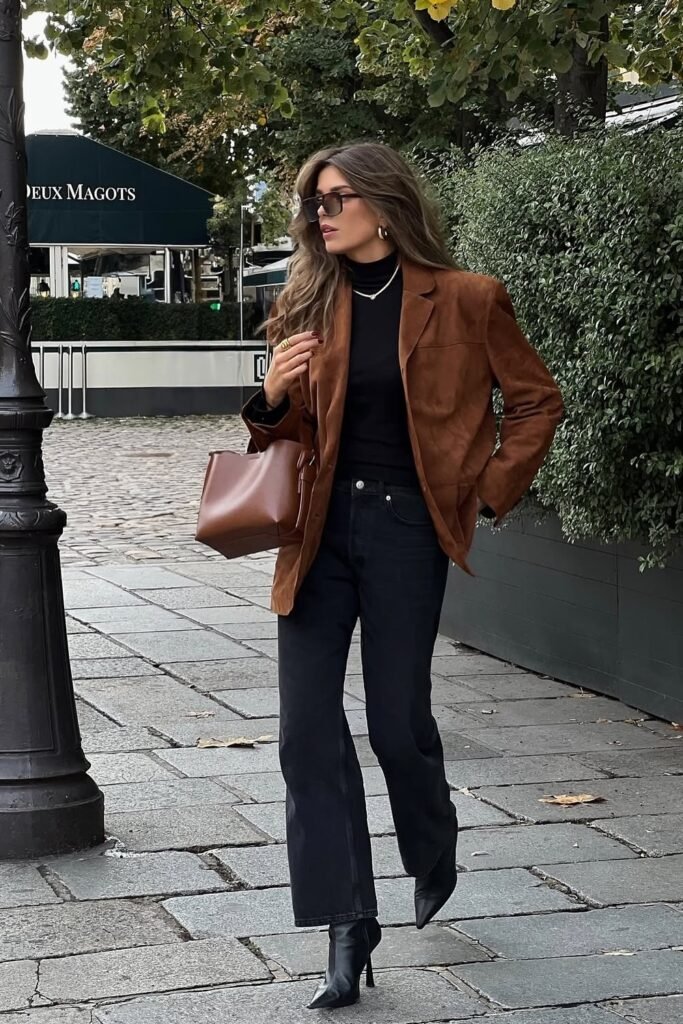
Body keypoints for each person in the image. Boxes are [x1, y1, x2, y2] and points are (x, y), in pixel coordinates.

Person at [242, 142, 564, 1010]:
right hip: (316, 530)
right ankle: (349, 923)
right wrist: (269, 393)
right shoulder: (304, 302)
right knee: (304, 732)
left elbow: (535, 400)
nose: (322, 212)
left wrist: (483, 492)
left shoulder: (466, 299)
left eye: (338, 197)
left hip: (404, 531)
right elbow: (280, 438)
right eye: (314, 199)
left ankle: (431, 839)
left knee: (396, 726)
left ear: (384, 204)